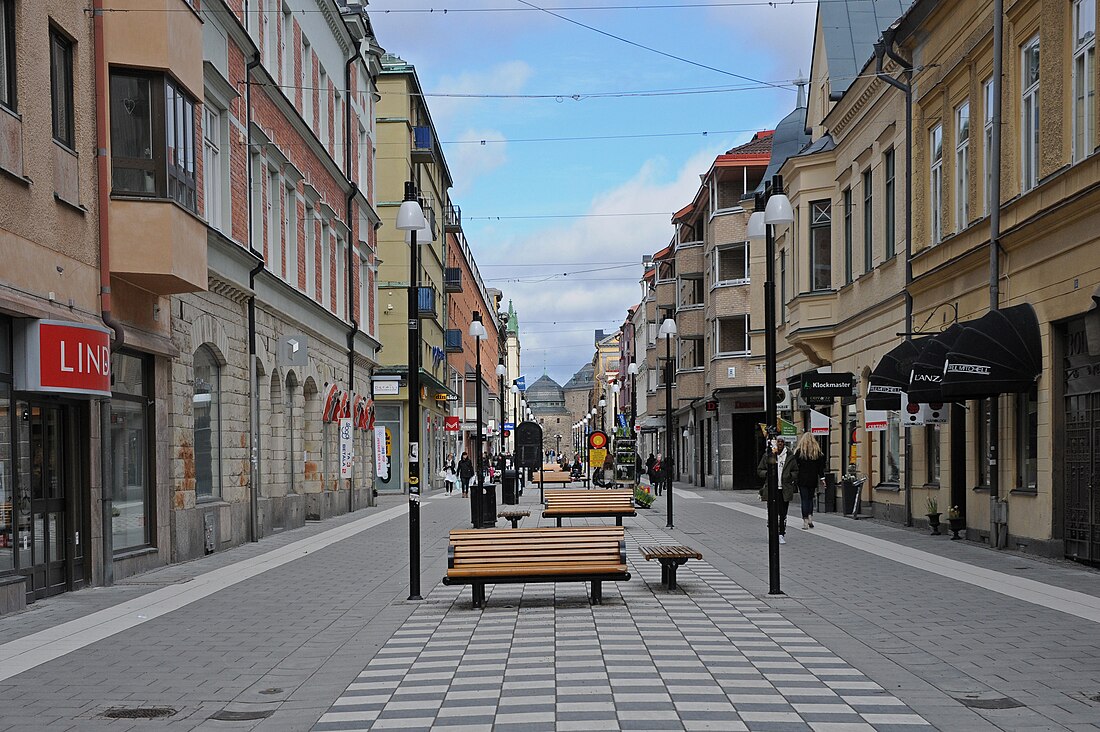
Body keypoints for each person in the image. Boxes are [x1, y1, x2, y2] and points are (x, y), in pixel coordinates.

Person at [756, 436, 799, 544]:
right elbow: (760, 470)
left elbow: (796, 471)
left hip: (784, 489)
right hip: (772, 488)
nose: (780, 444)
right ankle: (772, 533)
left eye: (782, 442)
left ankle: (781, 533)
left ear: (784, 443)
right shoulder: (768, 455)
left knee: (783, 513)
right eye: (778, 442)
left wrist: (789, 476)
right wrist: (767, 474)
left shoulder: (789, 456)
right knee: (772, 512)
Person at [793, 432, 826, 530]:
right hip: (813, 478)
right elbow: (821, 468)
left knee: (804, 499)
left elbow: (795, 466)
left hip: (802, 479)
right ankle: (810, 518)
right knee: (811, 498)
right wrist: (823, 479)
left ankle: (805, 521)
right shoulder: (817, 452)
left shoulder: (799, 452)